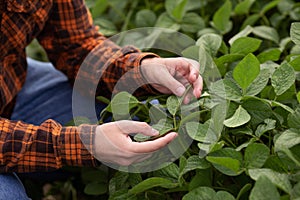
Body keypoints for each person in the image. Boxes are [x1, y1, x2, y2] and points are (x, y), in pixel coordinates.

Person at [0, 0, 203, 198]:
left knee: (146, 120)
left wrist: (141, 71)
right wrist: (81, 144)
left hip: (10, 86)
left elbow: (76, 44)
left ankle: (31, 164)